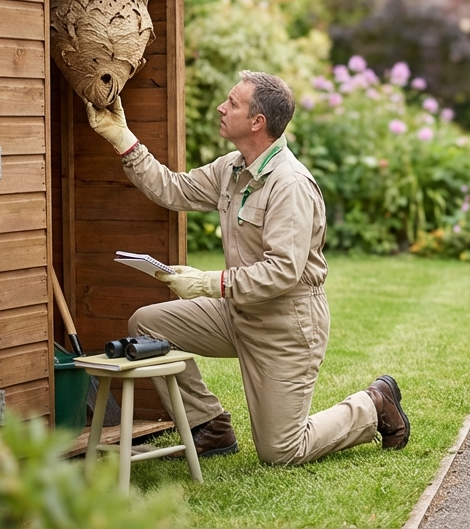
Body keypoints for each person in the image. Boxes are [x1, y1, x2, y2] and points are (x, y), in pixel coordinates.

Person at [86, 70, 409, 465]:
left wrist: (209, 282)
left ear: (257, 122)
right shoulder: (232, 169)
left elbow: (282, 272)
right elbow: (174, 188)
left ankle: (373, 405)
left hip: (285, 325)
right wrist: (123, 139)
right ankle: (209, 425)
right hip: (236, 312)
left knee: (281, 451)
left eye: (233, 103)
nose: (222, 108)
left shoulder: (289, 185)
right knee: (147, 324)